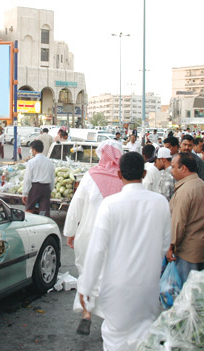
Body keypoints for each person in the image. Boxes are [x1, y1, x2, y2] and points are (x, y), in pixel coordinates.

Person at [77, 152, 171, 351]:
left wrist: (86, 288)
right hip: (148, 287)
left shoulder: (110, 205)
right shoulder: (160, 203)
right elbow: (164, 245)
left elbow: (96, 252)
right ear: (145, 173)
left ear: (119, 174)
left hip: (117, 288)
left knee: (115, 339)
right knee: (145, 339)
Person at [63, 140, 123, 335]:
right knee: (110, 278)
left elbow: (75, 206)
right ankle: (109, 319)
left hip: (88, 234)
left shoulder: (90, 176)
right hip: (113, 238)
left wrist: (70, 232)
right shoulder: (125, 179)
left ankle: (86, 313)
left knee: (87, 273)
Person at [166, 152, 204, 283]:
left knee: (186, 292)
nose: (171, 171)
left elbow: (178, 223)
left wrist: (171, 246)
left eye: (173, 167)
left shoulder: (185, 190)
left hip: (187, 251)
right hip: (203, 248)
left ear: (183, 168)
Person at [21, 140, 55, 217]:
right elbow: (52, 178)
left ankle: (28, 222)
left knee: (29, 207)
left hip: (35, 188)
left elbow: (28, 179)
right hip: (46, 188)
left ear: (34, 149)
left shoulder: (32, 162)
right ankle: (43, 223)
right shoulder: (49, 162)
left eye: (31, 149)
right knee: (44, 210)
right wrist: (50, 189)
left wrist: (25, 193)